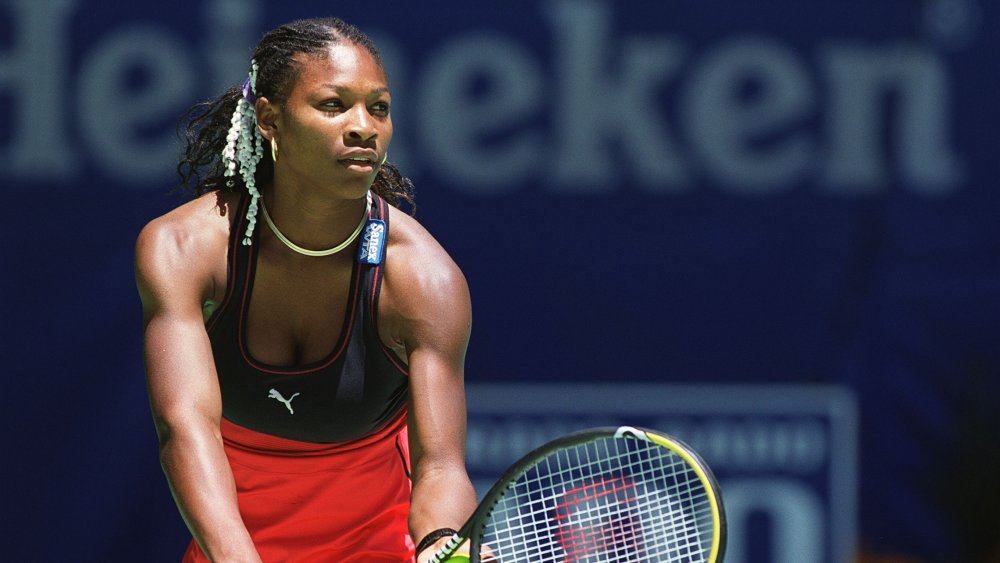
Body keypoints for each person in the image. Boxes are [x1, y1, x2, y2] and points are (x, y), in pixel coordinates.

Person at [135, 17, 477, 562]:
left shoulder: (422, 280)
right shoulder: (184, 249)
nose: (364, 126)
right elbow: (184, 427)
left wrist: (443, 544)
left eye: (379, 108)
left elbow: (440, 466)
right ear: (270, 119)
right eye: (333, 105)